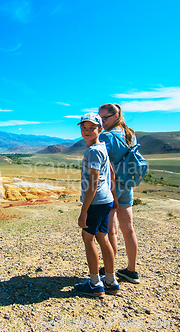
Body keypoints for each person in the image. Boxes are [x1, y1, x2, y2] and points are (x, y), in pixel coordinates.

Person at [74, 113, 120, 297]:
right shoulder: (102, 147)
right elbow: (111, 172)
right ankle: (111, 281)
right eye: (83, 128)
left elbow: (93, 184)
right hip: (106, 200)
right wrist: (114, 196)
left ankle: (94, 283)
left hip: (95, 202)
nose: (86, 131)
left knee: (88, 239)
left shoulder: (92, 151)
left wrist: (83, 212)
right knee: (104, 238)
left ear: (99, 129)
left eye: (91, 128)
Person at [98, 103, 140, 284]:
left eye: (105, 118)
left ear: (116, 116)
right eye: (100, 118)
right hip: (127, 185)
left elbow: (101, 163)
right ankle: (132, 270)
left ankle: (110, 271)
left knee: (112, 231)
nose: (102, 122)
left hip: (112, 188)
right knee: (128, 228)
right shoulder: (130, 134)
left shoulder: (106, 137)